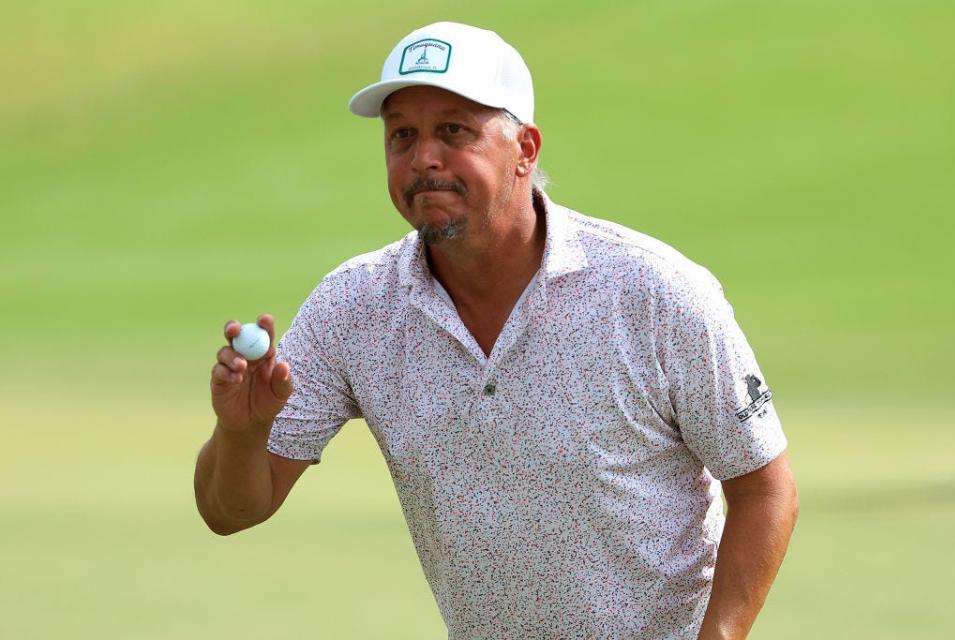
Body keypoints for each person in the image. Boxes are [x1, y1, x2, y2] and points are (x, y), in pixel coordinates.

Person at [194, 21, 799, 640]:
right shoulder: (354, 307)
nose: (423, 156)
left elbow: (765, 490)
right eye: (402, 135)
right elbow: (232, 510)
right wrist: (242, 434)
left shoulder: (655, 292)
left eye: (453, 130)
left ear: (526, 150)